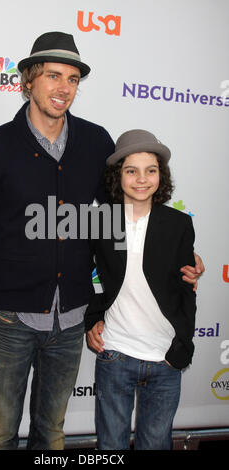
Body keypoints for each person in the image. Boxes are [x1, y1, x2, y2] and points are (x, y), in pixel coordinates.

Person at [0, 32, 203, 450]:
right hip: (9, 320)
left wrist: (178, 252)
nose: (63, 88)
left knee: (52, 434)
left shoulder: (97, 142)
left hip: (71, 319)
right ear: (29, 81)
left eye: (72, 78)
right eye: (53, 76)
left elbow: (118, 220)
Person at [85, 129, 198, 450]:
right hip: (115, 354)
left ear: (160, 176)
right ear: (116, 176)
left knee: (156, 443)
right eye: (131, 170)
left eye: (151, 170)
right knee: (111, 446)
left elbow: (186, 289)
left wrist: (183, 343)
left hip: (165, 359)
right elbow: (85, 276)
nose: (141, 179)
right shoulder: (100, 221)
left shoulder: (178, 224)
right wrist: (92, 319)